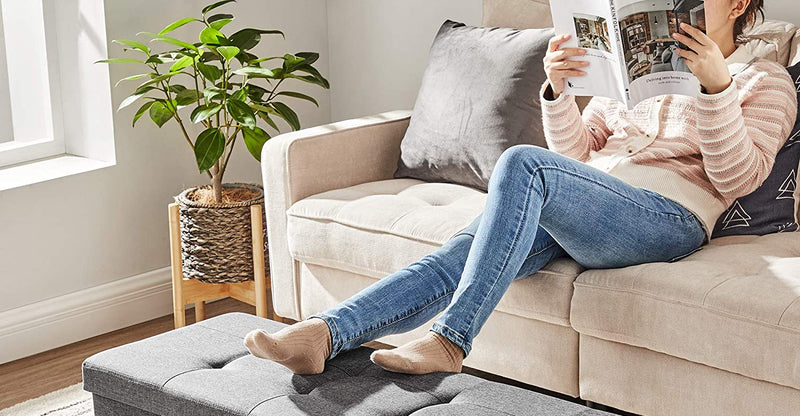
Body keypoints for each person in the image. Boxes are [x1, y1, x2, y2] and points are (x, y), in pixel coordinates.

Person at [244, 0, 796, 376]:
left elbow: (738, 177)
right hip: (596, 200)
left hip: (669, 218)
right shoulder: (641, 68)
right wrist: (557, 92)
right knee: (462, 251)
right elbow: (577, 154)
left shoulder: (763, 79)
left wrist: (716, 88)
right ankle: (324, 335)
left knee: (521, 165)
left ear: (741, 3)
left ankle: (451, 340)